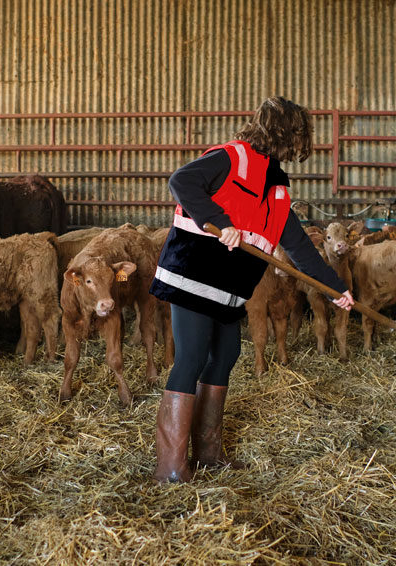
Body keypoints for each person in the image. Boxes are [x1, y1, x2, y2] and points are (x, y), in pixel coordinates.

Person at [149, 96, 355, 483]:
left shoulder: (276, 186)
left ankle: (208, 454)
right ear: (283, 132)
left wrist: (335, 289)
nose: (300, 146)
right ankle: (170, 467)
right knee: (191, 358)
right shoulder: (231, 157)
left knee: (227, 354)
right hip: (195, 277)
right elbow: (182, 181)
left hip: (230, 290)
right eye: (297, 136)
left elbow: (298, 246)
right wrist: (218, 220)